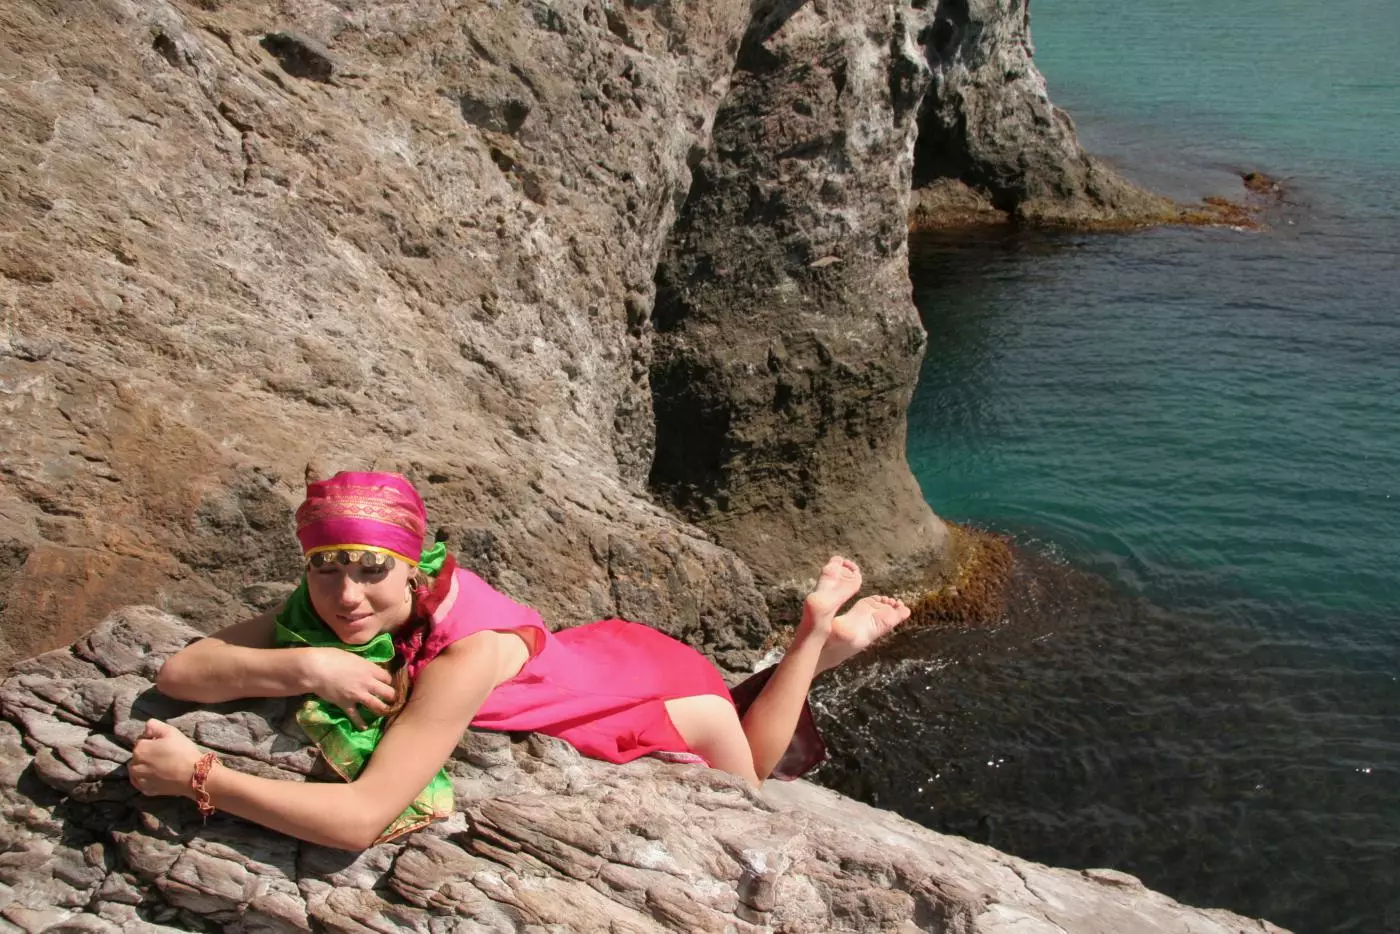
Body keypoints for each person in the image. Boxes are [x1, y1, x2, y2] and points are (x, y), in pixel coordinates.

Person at [128, 471, 910, 850]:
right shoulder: (324, 603)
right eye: (326, 568)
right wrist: (305, 668)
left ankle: (813, 638)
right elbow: (182, 671)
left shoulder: (464, 655)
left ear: (414, 569)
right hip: (601, 656)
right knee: (749, 738)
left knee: (753, 779)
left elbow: (362, 819)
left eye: (370, 571)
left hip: (659, 698)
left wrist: (201, 777)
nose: (346, 596)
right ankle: (820, 649)